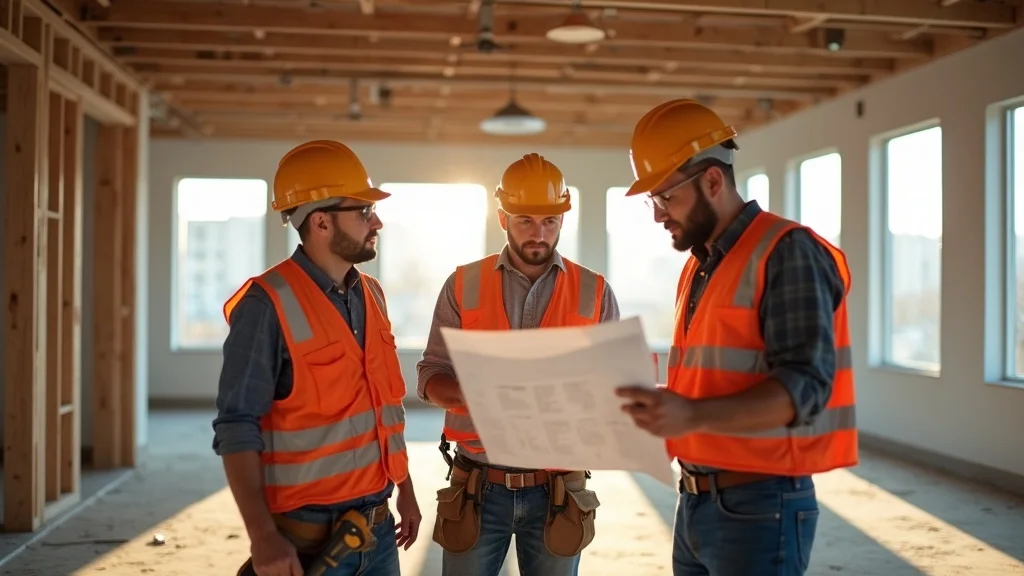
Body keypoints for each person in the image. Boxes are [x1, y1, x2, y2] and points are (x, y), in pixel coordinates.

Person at [614, 99, 858, 576]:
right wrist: (661, 404)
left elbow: (806, 385)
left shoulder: (787, 251)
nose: (658, 215)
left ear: (712, 181)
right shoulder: (701, 265)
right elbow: (716, 378)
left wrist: (692, 413)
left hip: (761, 504)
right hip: (697, 501)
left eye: (667, 197)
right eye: (653, 200)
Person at [212, 140, 422, 576]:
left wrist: (405, 487)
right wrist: (262, 536)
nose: (377, 221)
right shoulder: (266, 305)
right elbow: (236, 427)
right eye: (364, 211)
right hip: (309, 539)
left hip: (378, 528)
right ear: (322, 222)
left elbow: (382, 405)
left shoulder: (373, 294)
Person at [416, 153, 620, 576]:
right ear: (502, 217)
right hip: (475, 485)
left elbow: (612, 391)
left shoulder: (595, 292)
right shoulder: (462, 285)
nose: (538, 234)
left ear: (564, 218)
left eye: (550, 221)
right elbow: (432, 375)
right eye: (525, 220)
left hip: (560, 489)